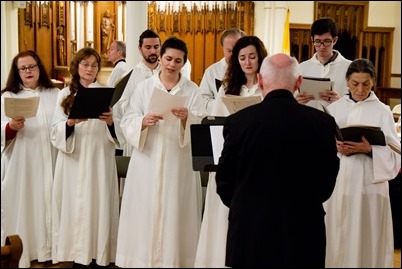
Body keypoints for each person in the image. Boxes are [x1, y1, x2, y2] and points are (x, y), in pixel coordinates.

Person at [215, 53, 340, 268]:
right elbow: (326, 183)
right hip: (303, 229)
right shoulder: (322, 123)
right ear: (299, 82)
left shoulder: (238, 122)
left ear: (261, 80)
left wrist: (245, 206)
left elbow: (224, 180)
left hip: (250, 229)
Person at [115, 37, 205, 268]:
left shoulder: (192, 90)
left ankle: (174, 261)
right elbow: (128, 118)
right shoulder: (144, 88)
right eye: (168, 58)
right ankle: (140, 261)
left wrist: (188, 119)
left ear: (184, 62)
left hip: (178, 163)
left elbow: (201, 124)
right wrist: (143, 122)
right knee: (145, 210)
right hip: (148, 160)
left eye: (178, 60)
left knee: (176, 212)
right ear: (161, 58)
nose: (171, 64)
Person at [194, 35, 268, 268]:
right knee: (222, 217)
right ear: (235, 60)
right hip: (232, 159)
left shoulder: (268, 86)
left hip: (258, 161)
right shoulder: (228, 87)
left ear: (260, 58)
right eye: (242, 57)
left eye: (252, 57)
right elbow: (216, 122)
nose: (247, 62)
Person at [324, 58, 401, 268]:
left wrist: (369, 150)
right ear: (347, 82)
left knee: (367, 236)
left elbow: (397, 153)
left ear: (373, 82)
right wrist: (335, 146)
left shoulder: (383, 111)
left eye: (365, 84)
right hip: (340, 183)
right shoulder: (334, 109)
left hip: (369, 185)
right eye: (355, 83)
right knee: (339, 235)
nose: (360, 89)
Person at [50, 47, 120, 268]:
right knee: (75, 208)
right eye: (85, 64)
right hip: (74, 160)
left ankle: (98, 256)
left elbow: (121, 132)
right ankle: (77, 256)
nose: (90, 69)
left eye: (94, 65)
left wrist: (110, 122)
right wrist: (70, 123)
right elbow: (54, 131)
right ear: (77, 67)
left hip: (99, 158)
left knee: (98, 206)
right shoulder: (64, 95)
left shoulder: (107, 92)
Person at [1, 50, 59, 268]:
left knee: (49, 202)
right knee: (25, 205)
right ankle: (23, 252)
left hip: (51, 159)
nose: (28, 71)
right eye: (23, 68)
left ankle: (51, 250)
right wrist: (10, 127)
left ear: (39, 67)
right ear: (16, 72)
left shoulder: (54, 93)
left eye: (32, 67)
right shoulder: (8, 97)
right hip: (21, 163)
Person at [295, 17, 352, 110]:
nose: (322, 46)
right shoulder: (301, 68)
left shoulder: (349, 67)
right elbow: (293, 98)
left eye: (326, 41)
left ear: (335, 40)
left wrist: (339, 102)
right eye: (317, 41)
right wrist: (297, 101)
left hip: (337, 121)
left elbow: (356, 103)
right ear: (312, 39)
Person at [199, 28, 246, 114]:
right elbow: (202, 100)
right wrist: (223, 106)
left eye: (236, 50)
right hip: (221, 120)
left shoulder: (251, 70)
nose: (233, 55)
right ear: (223, 49)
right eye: (229, 51)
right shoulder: (212, 71)